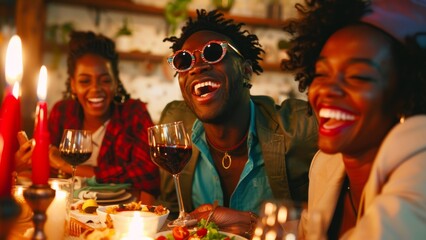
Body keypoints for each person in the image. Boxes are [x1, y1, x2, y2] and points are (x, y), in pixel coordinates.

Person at [157, 9, 319, 237]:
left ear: (245, 71)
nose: (197, 67)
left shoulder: (300, 127)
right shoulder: (176, 125)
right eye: (184, 61)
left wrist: (253, 224)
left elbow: (333, 219)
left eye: (213, 52)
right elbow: (170, 212)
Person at [282, 0, 426, 239]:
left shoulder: (422, 159)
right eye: (321, 73)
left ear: (405, 94)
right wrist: (248, 223)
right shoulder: (326, 164)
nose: (328, 89)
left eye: (358, 76)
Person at [15, 31, 160, 202]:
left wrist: (66, 164)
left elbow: (148, 174)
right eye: (85, 81)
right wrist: (21, 163)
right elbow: (45, 172)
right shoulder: (62, 112)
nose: (95, 89)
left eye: (105, 80)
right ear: (73, 85)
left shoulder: (133, 113)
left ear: (115, 83)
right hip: (70, 211)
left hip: (121, 214)